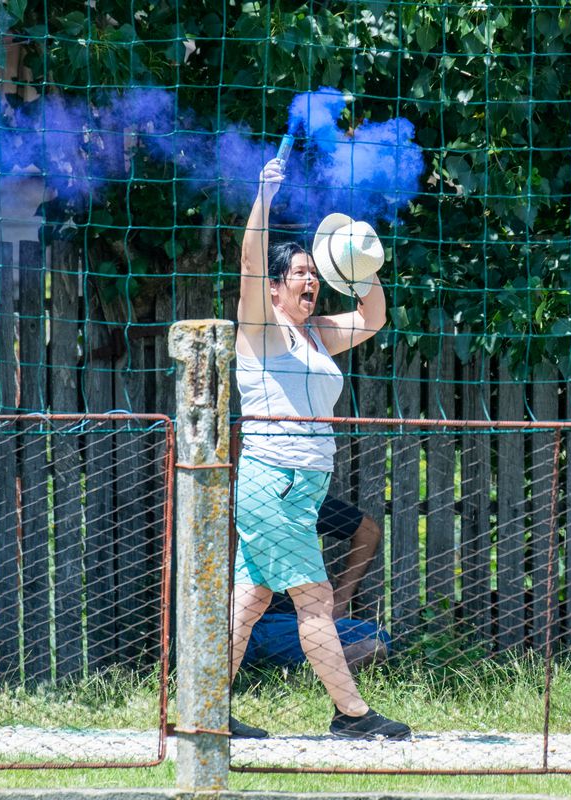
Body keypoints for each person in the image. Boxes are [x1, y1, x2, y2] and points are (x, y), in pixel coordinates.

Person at [229, 157, 410, 741]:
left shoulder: (315, 334)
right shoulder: (260, 328)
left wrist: (359, 270)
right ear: (277, 287)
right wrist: (263, 194)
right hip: (273, 479)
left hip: (297, 487)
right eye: (300, 274)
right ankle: (351, 715)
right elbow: (251, 261)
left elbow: (374, 318)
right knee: (316, 599)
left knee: (252, 599)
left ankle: (200, 709)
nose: (310, 282)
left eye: (314, 273)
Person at [243, 496, 388, 672]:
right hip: (237, 624)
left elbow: (368, 531)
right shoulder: (220, 503)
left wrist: (340, 600)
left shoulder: (296, 498)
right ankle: (322, 669)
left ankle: (316, 671)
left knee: (375, 636)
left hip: (290, 625)